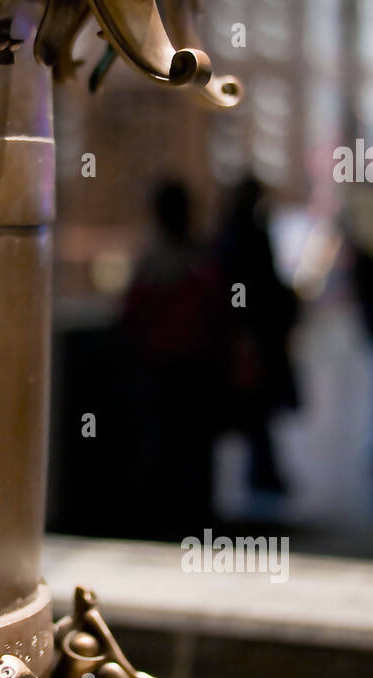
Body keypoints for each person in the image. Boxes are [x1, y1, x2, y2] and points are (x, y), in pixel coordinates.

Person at [120, 180, 225, 537]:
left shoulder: (151, 265)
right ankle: (193, 522)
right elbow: (216, 317)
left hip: (159, 369)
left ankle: (158, 521)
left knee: (160, 446)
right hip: (194, 369)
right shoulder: (202, 263)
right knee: (193, 449)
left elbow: (132, 317)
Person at [216, 176, 299, 495]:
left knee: (256, 410)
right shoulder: (247, 235)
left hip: (249, 332)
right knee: (257, 410)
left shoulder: (231, 234)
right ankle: (262, 470)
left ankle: (262, 470)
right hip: (252, 334)